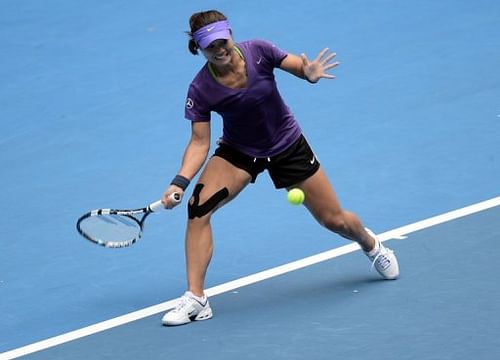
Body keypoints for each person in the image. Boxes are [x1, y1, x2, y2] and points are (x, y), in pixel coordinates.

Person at [160, 10, 399, 326]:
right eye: (209, 47)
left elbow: (296, 65)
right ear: (199, 49)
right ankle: (196, 298)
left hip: (287, 146)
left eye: (222, 42)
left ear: (230, 35)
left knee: (335, 220)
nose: (218, 50)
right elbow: (199, 143)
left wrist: (308, 72)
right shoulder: (201, 88)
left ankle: (370, 244)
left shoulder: (259, 51)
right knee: (198, 208)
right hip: (239, 151)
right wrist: (180, 181)